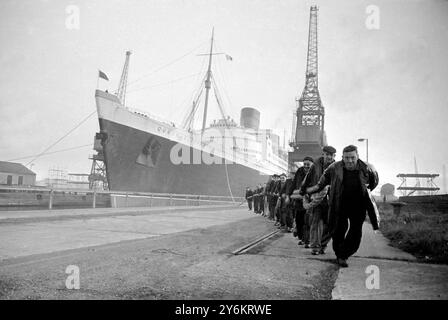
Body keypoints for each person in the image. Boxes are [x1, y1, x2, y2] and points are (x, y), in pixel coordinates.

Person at [304, 145, 380, 268]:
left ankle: (344, 253)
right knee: (338, 230)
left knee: (355, 231)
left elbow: (374, 182)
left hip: (358, 204)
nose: (349, 160)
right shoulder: (334, 168)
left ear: (358, 156)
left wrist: (365, 193)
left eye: (352, 157)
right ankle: (340, 255)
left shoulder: (368, 168)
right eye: (346, 158)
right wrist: (306, 190)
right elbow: (321, 183)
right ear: (342, 157)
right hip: (339, 204)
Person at [300, 146, 336, 255]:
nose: (329, 157)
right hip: (316, 198)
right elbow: (307, 178)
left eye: (331, 155)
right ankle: (315, 247)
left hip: (331, 199)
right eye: (327, 154)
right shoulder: (315, 165)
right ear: (323, 154)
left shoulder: (337, 167)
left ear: (334, 156)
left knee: (331, 225)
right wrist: (303, 191)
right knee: (315, 222)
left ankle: (323, 245)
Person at [289, 157, 313, 246]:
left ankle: (306, 240)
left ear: (312, 164)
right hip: (298, 200)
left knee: (307, 221)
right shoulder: (299, 171)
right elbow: (294, 183)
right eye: (305, 164)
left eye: (308, 164)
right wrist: (289, 195)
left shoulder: (314, 172)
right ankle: (301, 237)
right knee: (299, 220)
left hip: (309, 200)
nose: (306, 166)